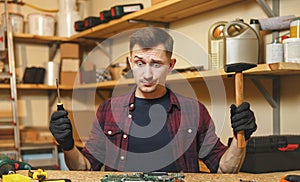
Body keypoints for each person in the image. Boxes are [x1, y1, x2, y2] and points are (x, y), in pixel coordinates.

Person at [49, 27, 257, 173]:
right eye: (140, 63)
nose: (147, 74)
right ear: (130, 62)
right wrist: (67, 145)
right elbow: (84, 168)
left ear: (171, 64)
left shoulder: (194, 111)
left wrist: (241, 139)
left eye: (156, 64)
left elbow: (224, 168)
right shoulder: (108, 110)